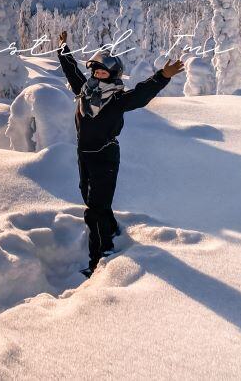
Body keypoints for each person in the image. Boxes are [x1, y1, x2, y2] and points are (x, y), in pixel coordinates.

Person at [57, 30, 185, 277]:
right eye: (95, 71)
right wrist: (63, 49)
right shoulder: (85, 91)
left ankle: (101, 256)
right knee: (89, 196)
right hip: (85, 155)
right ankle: (112, 228)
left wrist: (162, 77)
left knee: (94, 208)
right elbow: (72, 70)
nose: (97, 75)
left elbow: (141, 94)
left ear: (113, 74)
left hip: (105, 156)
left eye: (103, 72)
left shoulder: (117, 99)